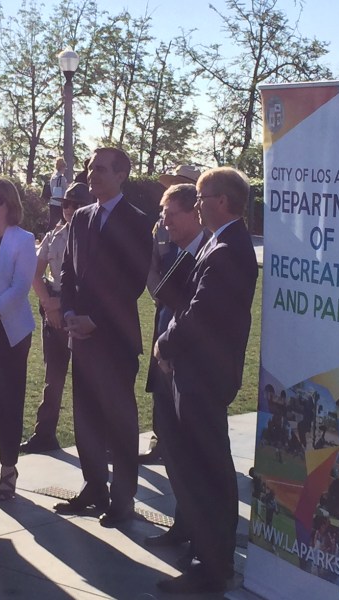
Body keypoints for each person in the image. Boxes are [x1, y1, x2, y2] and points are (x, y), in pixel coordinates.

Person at [154, 166, 258, 593]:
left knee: (209, 472)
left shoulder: (229, 248)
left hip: (204, 375)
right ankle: (206, 554)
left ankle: (213, 568)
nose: (196, 204)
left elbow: (201, 312)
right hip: (197, 373)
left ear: (222, 201)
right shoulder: (220, 243)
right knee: (200, 469)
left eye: (201, 196)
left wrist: (165, 343)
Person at [53, 147, 153, 527]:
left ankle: (122, 499)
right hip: (82, 336)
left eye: (100, 169)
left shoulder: (137, 221)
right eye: (91, 167)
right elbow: (67, 273)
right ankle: (94, 487)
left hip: (115, 338)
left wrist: (97, 318)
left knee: (119, 422)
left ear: (122, 174)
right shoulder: (80, 218)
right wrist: (69, 313)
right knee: (86, 417)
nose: (91, 174)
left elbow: (131, 282)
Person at [142, 184, 208, 559]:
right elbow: (160, 296)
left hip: (192, 368)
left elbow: (199, 316)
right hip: (166, 361)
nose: (163, 222)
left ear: (193, 212)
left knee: (194, 453)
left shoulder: (208, 253)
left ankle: (201, 535)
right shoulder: (176, 251)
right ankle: (182, 523)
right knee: (172, 447)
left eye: (169, 213)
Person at [0, 176, 36, 501]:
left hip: (10, 333)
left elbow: (20, 287)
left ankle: (9, 469)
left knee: (8, 402)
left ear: (8, 204)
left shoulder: (22, 239)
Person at [20, 182, 93, 454]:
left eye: (78, 203)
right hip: (54, 309)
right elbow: (35, 273)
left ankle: (95, 438)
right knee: (53, 376)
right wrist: (48, 304)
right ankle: (45, 433)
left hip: (82, 311)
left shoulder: (94, 235)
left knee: (88, 379)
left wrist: (62, 305)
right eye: (66, 203)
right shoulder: (54, 235)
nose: (71, 208)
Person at [141, 165, 202, 465]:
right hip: (164, 308)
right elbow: (151, 265)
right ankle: (160, 438)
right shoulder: (160, 227)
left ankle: (183, 443)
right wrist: (160, 295)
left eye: (182, 185)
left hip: (186, 315)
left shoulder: (205, 238)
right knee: (160, 377)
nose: (173, 188)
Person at [48, 157, 68, 229]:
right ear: (62, 167)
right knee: (66, 221)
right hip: (60, 203)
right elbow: (65, 191)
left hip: (53, 202)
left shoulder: (53, 177)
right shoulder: (62, 178)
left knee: (52, 223)